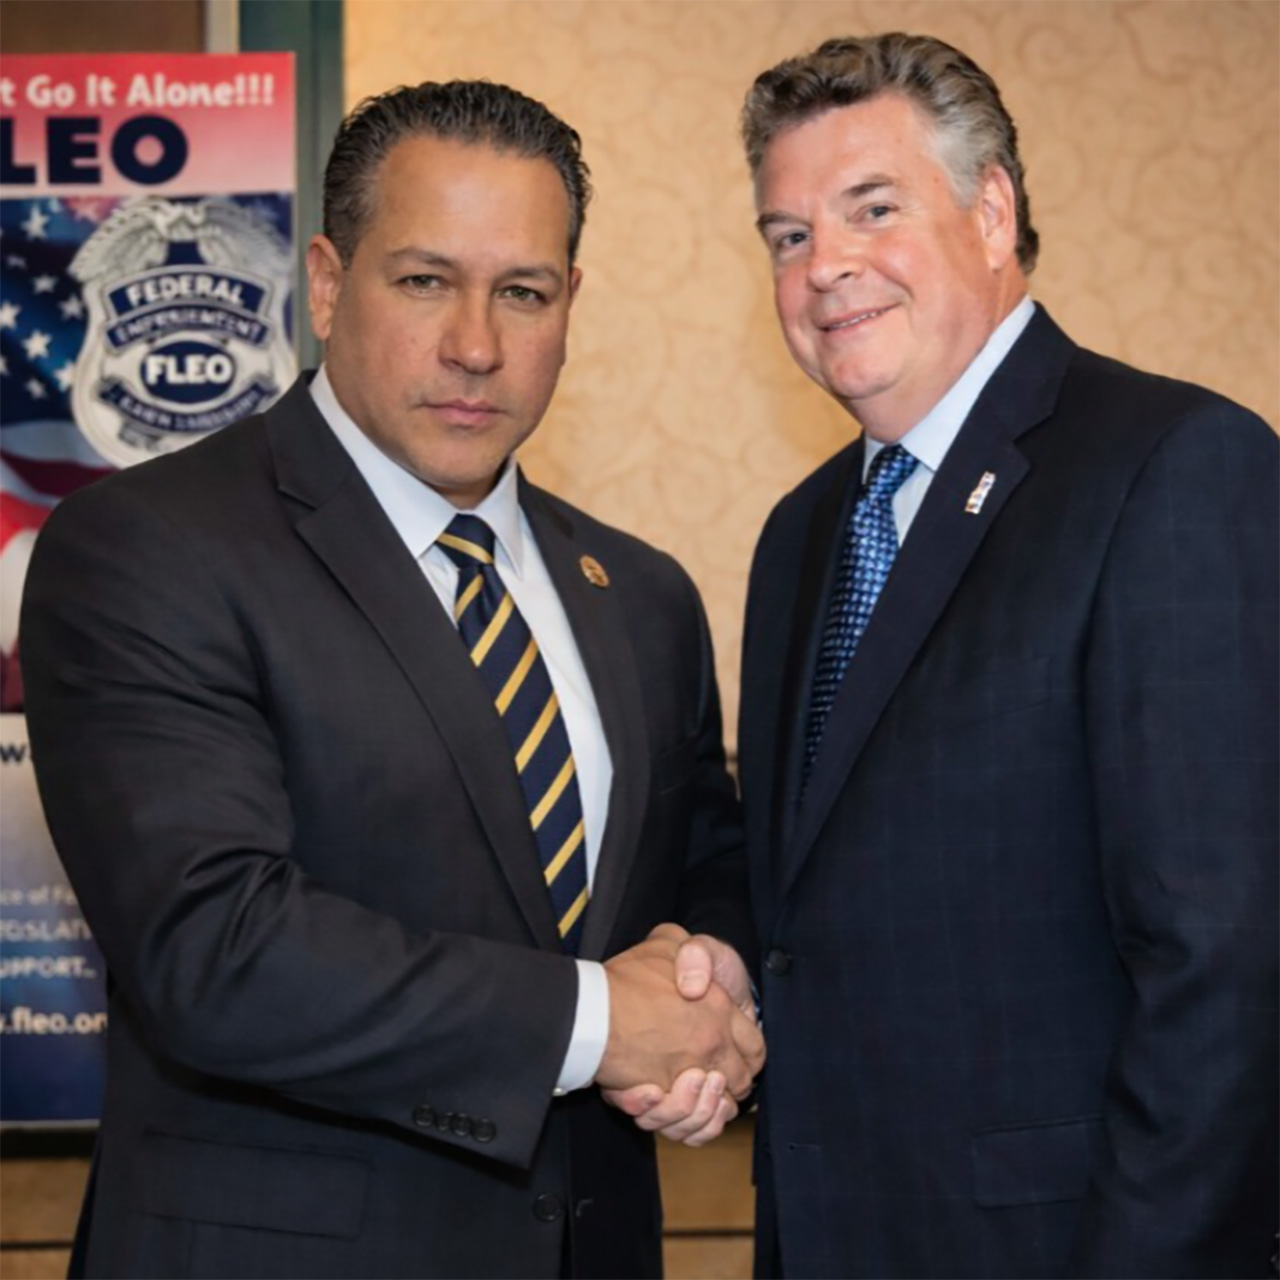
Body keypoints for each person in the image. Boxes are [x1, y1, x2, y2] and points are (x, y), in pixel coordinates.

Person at [20, 80, 764, 1280]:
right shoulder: (147, 548)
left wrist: (704, 983)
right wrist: (599, 1023)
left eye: (522, 291)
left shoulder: (641, 592)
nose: (475, 343)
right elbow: (214, 948)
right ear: (325, 281)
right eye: (424, 280)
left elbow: (712, 861)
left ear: (569, 305)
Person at [617, 30, 1279, 1279]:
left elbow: (1223, 965)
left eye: (871, 209)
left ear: (990, 211)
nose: (825, 268)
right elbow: (816, 905)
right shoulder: (800, 532)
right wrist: (715, 995)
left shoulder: (1170, 466)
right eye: (787, 234)